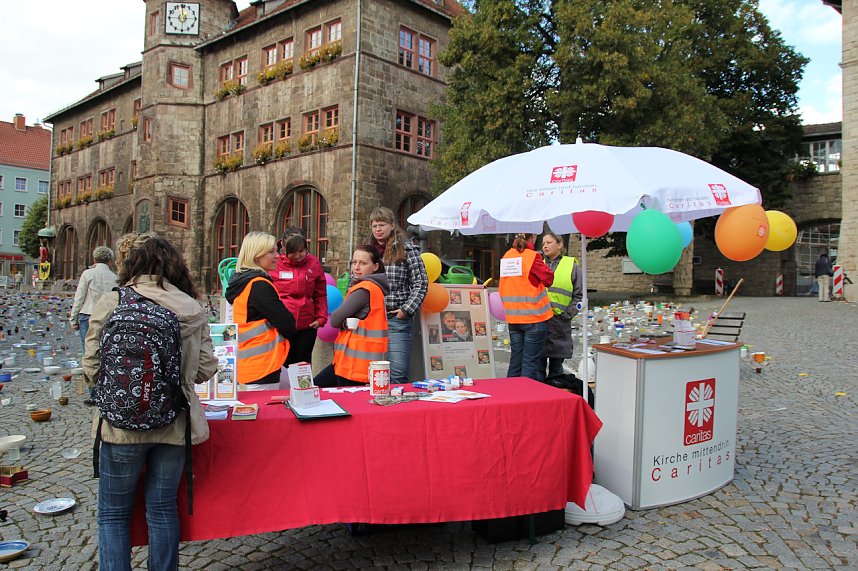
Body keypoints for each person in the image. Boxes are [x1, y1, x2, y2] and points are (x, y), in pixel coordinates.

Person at [82, 235, 217, 571]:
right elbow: (204, 369)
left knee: (113, 514)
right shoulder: (191, 307)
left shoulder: (113, 300)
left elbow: (91, 364)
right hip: (174, 422)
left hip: (120, 425)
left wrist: (120, 391)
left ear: (133, 266)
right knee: (161, 508)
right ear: (174, 267)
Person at [224, 232, 296, 384]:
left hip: (250, 365)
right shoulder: (259, 285)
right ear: (256, 256)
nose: (277, 255)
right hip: (263, 366)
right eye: (271, 251)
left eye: (276, 250)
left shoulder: (242, 283)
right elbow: (287, 323)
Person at [367, 206, 428, 383]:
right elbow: (354, 281)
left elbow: (421, 282)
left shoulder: (407, 249)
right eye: (374, 226)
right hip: (369, 318)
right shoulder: (366, 251)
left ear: (392, 225)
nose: (377, 229)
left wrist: (406, 310)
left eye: (381, 225)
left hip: (396, 318)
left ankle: (395, 407)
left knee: (398, 372)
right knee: (369, 372)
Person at [315, 246, 390, 387]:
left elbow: (336, 319)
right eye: (354, 262)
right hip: (362, 364)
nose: (356, 267)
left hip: (353, 366)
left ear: (375, 266)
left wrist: (344, 324)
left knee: (315, 390)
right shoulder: (376, 289)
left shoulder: (364, 289)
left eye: (363, 263)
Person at [499, 233, 554, 382]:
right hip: (533, 317)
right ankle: (526, 399)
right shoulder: (532, 256)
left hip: (513, 318)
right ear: (533, 237)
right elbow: (548, 279)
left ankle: (510, 399)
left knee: (515, 362)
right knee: (530, 364)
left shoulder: (507, 256)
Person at [270, 227, 327, 365]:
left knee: (302, 367)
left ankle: (303, 387)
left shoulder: (313, 263)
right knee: (282, 365)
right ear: (283, 249)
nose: (298, 255)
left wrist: (321, 317)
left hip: (307, 324)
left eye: (301, 251)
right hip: (281, 325)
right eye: (293, 252)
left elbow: (320, 294)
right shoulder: (274, 263)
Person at [540, 232, 583, 379]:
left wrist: (567, 315)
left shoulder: (571, 265)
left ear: (560, 245)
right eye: (543, 243)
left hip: (559, 323)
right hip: (539, 321)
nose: (545, 246)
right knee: (537, 368)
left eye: (549, 242)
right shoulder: (539, 264)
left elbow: (579, 296)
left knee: (556, 369)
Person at [70, 246, 118, 355]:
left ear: (94, 259)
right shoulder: (114, 278)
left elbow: (79, 297)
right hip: (107, 317)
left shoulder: (88, 274)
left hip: (88, 314)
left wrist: (73, 319)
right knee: (104, 350)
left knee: (88, 351)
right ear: (110, 261)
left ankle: (88, 371)